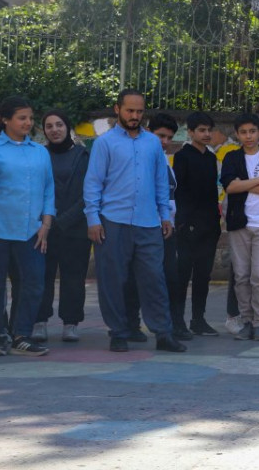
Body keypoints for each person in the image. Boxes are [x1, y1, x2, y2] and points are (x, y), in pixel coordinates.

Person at [84, 90, 186, 353]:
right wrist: (93, 218)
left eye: (139, 112)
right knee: (113, 280)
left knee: (154, 278)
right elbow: (93, 182)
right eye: (130, 111)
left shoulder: (152, 143)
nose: (135, 116)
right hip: (113, 221)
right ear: (117, 109)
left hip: (148, 222)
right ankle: (118, 332)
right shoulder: (105, 143)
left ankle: (163, 333)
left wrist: (165, 215)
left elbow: (160, 182)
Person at [0, 99, 50, 356]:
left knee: (34, 284)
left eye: (30, 118)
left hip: (31, 232)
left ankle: (22, 334)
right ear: (6, 120)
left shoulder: (40, 151)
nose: (28, 123)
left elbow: (48, 190)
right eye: (22, 118)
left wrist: (46, 223)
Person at [220, 113, 259, 341]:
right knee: (241, 275)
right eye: (244, 132)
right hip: (240, 224)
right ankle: (246, 320)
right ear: (237, 135)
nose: (249, 136)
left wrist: (243, 184)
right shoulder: (232, 158)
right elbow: (229, 186)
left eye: (253, 131)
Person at [33, 110, 89, 344]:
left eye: (59, 125)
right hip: (44, 228)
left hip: (75, 228)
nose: (54, 130)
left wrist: (64, 219)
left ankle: (71, 323)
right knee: (41, 277)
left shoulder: (84, 155)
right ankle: (39, 322)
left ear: (67, 127)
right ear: (44, 130)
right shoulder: (39, 155)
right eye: (49, 126)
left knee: (74, 278)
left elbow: (90, 192)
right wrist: (48, 221)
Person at [172, 112, 221, 337]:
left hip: (209, 226)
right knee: (183, 275)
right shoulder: (183, 157)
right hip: (188, 226)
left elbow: (212, 193)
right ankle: (177, 321)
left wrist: (215, 222)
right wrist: (185, 222)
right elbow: (181, 191)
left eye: (209, 130)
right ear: (190, 132)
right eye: (201, 130)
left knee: (203, 275)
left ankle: (198, 320)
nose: (206, 134)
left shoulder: (211, 158)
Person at [144, 113, 193, 342]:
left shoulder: (164, 158)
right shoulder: (144, 157)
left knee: (171, 278)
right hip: (148, 226)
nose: (164, 141)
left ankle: (173, 323)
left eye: (168, 137)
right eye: (160, 135)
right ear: (148, 131)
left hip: (167, 227)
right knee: (147, 280)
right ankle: (133, 326)